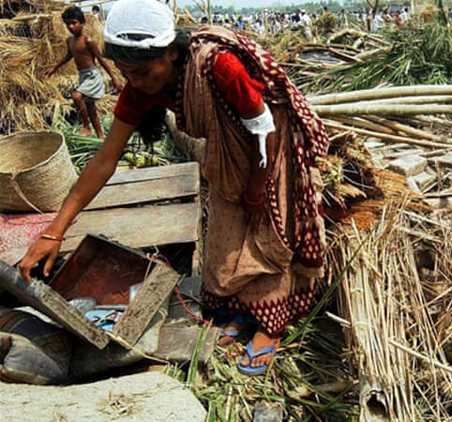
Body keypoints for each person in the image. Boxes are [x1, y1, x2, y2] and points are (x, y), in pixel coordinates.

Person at [19, 0, 329, 377]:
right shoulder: (140, 86)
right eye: (126, 72)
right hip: (227, 148)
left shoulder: (217, 65)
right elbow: (105, 160)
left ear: (171, 53)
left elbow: (262, 126)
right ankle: (244, 311)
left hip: (269, 144)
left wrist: (258, 184)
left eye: (145, 71)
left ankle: (271, 326)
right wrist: (54, 231)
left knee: (266, 232)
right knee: (227, 234)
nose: (136, 81)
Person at [45, 6, 123, 139]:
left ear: (82, 22)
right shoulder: (69, 41)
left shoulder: (88, 41)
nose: (71, 26)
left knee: (76, 96)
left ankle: (86, 126)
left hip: (92, 75)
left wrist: (114, 77)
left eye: (74, 23)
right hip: (82, 76)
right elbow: (68, 56)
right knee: (90, 108)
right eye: (68, 24)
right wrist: (54, 68)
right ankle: (100, 136)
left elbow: (101, 60)